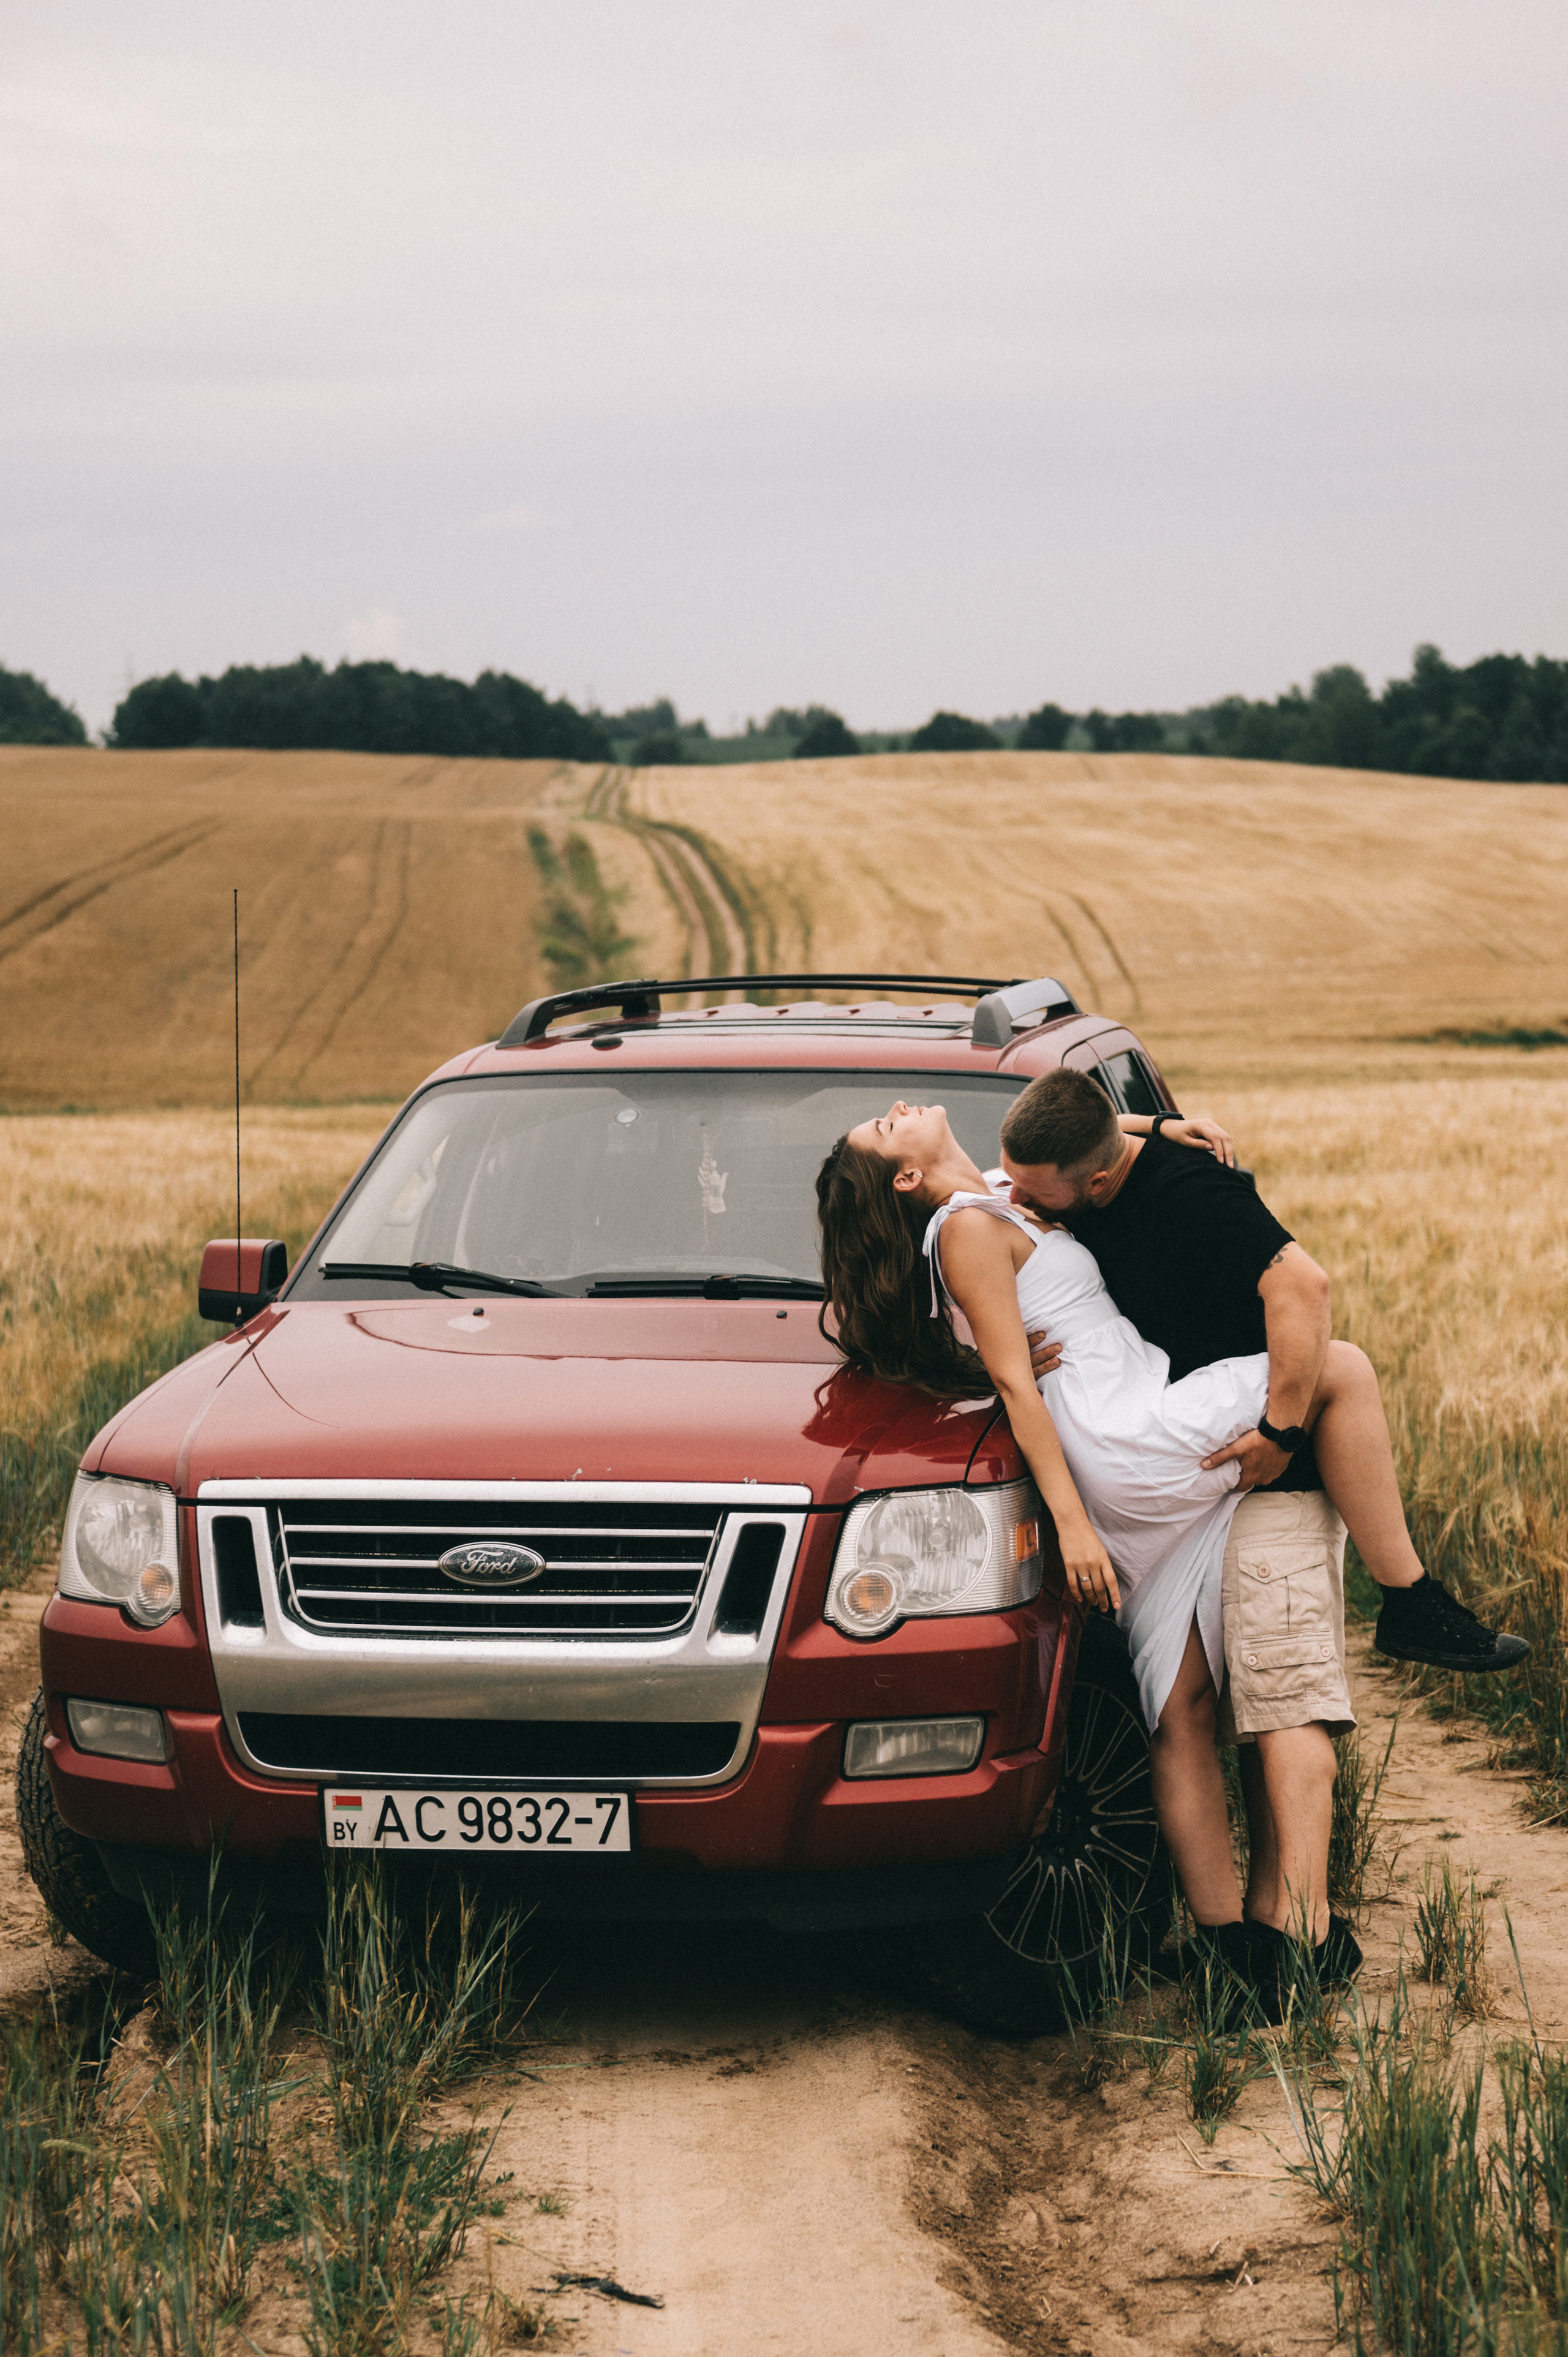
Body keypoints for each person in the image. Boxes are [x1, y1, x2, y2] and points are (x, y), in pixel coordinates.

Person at [995, 1066, 1526, 1993]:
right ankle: (1264, 1936)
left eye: (1041, 1201)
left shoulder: (1193, 1191)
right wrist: (1152, 1121)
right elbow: (1039, 1158)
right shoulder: (1084, 1172)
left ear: (1097, 1182)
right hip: (1188, 1476)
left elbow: (1306, 1287)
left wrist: (1283, 1432)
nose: (1025, 1212)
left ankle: (1298, 1939)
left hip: (1255, 1477)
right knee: (1221, 1714)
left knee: (1282, 1702)